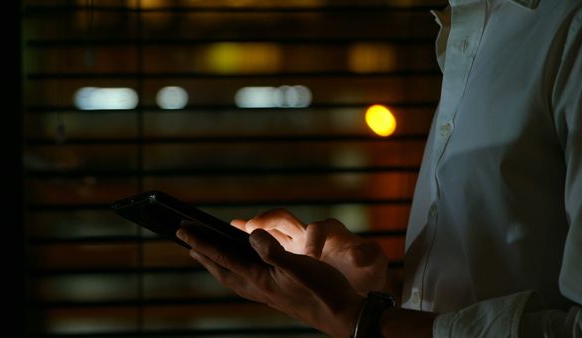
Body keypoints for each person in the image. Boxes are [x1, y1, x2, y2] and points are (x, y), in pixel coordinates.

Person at [176, 0, 582, 336]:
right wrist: (373, 288)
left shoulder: (567, 30)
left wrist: (364, 322)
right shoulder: (472, 38)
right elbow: (471, 296)